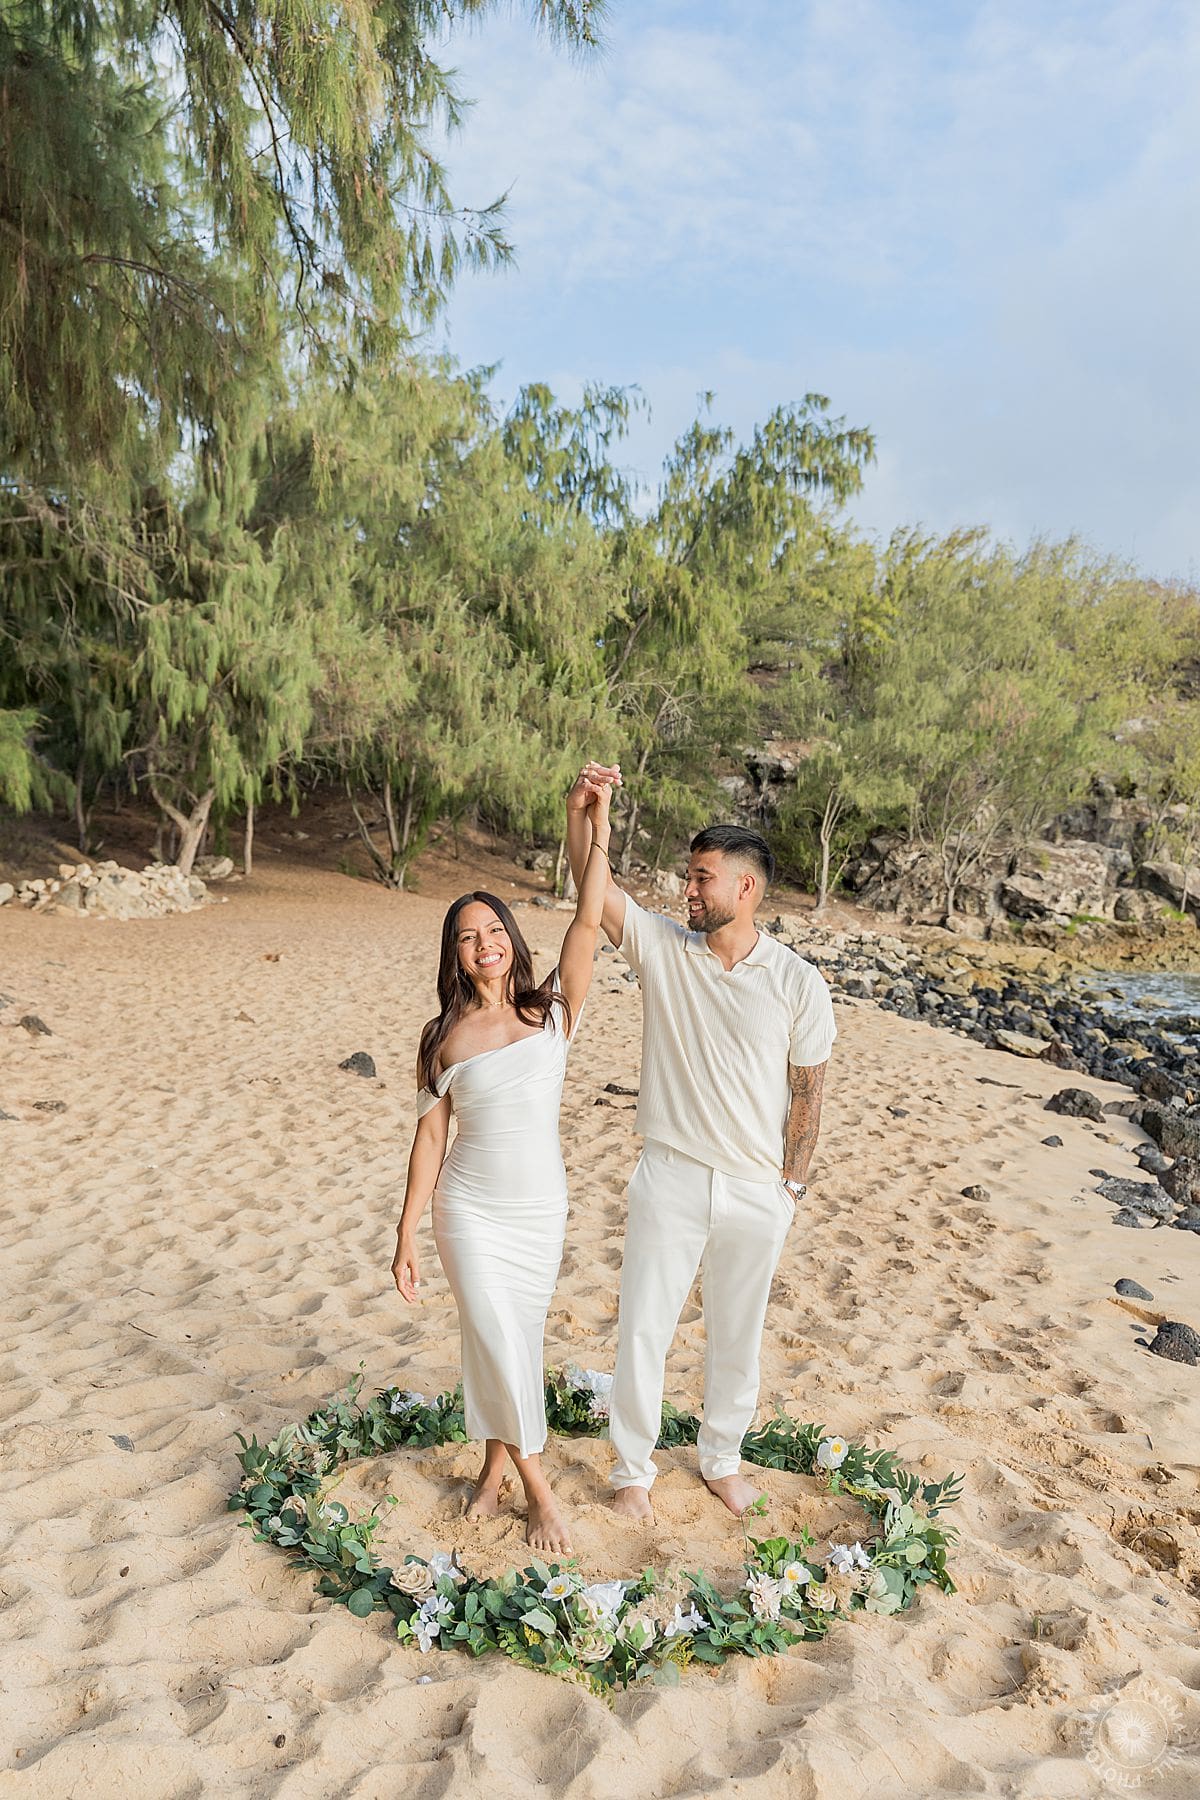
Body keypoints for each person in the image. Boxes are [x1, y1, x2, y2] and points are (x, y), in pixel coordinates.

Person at [566, 763, 835, 1521]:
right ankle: (631, 1472)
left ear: (744, 889)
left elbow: (809, 1094)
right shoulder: (662, 949)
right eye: (689, 878)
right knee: (643, 1329)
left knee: (736, 1338)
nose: (688, 890)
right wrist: (584, 814)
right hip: (672, 1176)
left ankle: (722, 1459)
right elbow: (594, 890)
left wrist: (791, 1190)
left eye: (701, 878)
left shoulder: (796, 981)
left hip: (758, 1191)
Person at [391, 782, 613, 1554]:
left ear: (512, 940)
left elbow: (590, 915)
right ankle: (539, 1492)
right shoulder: (441, 1036)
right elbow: (428, 1140)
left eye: (493, 929)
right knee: (493, 1329)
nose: (482, 941)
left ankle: (489, 1472)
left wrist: (588, 823)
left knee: (509, 1342)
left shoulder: (550, 1013)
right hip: (470, 1211)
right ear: (453, 954)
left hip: (540, 1211)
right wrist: (407, 1229)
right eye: (466, 935)